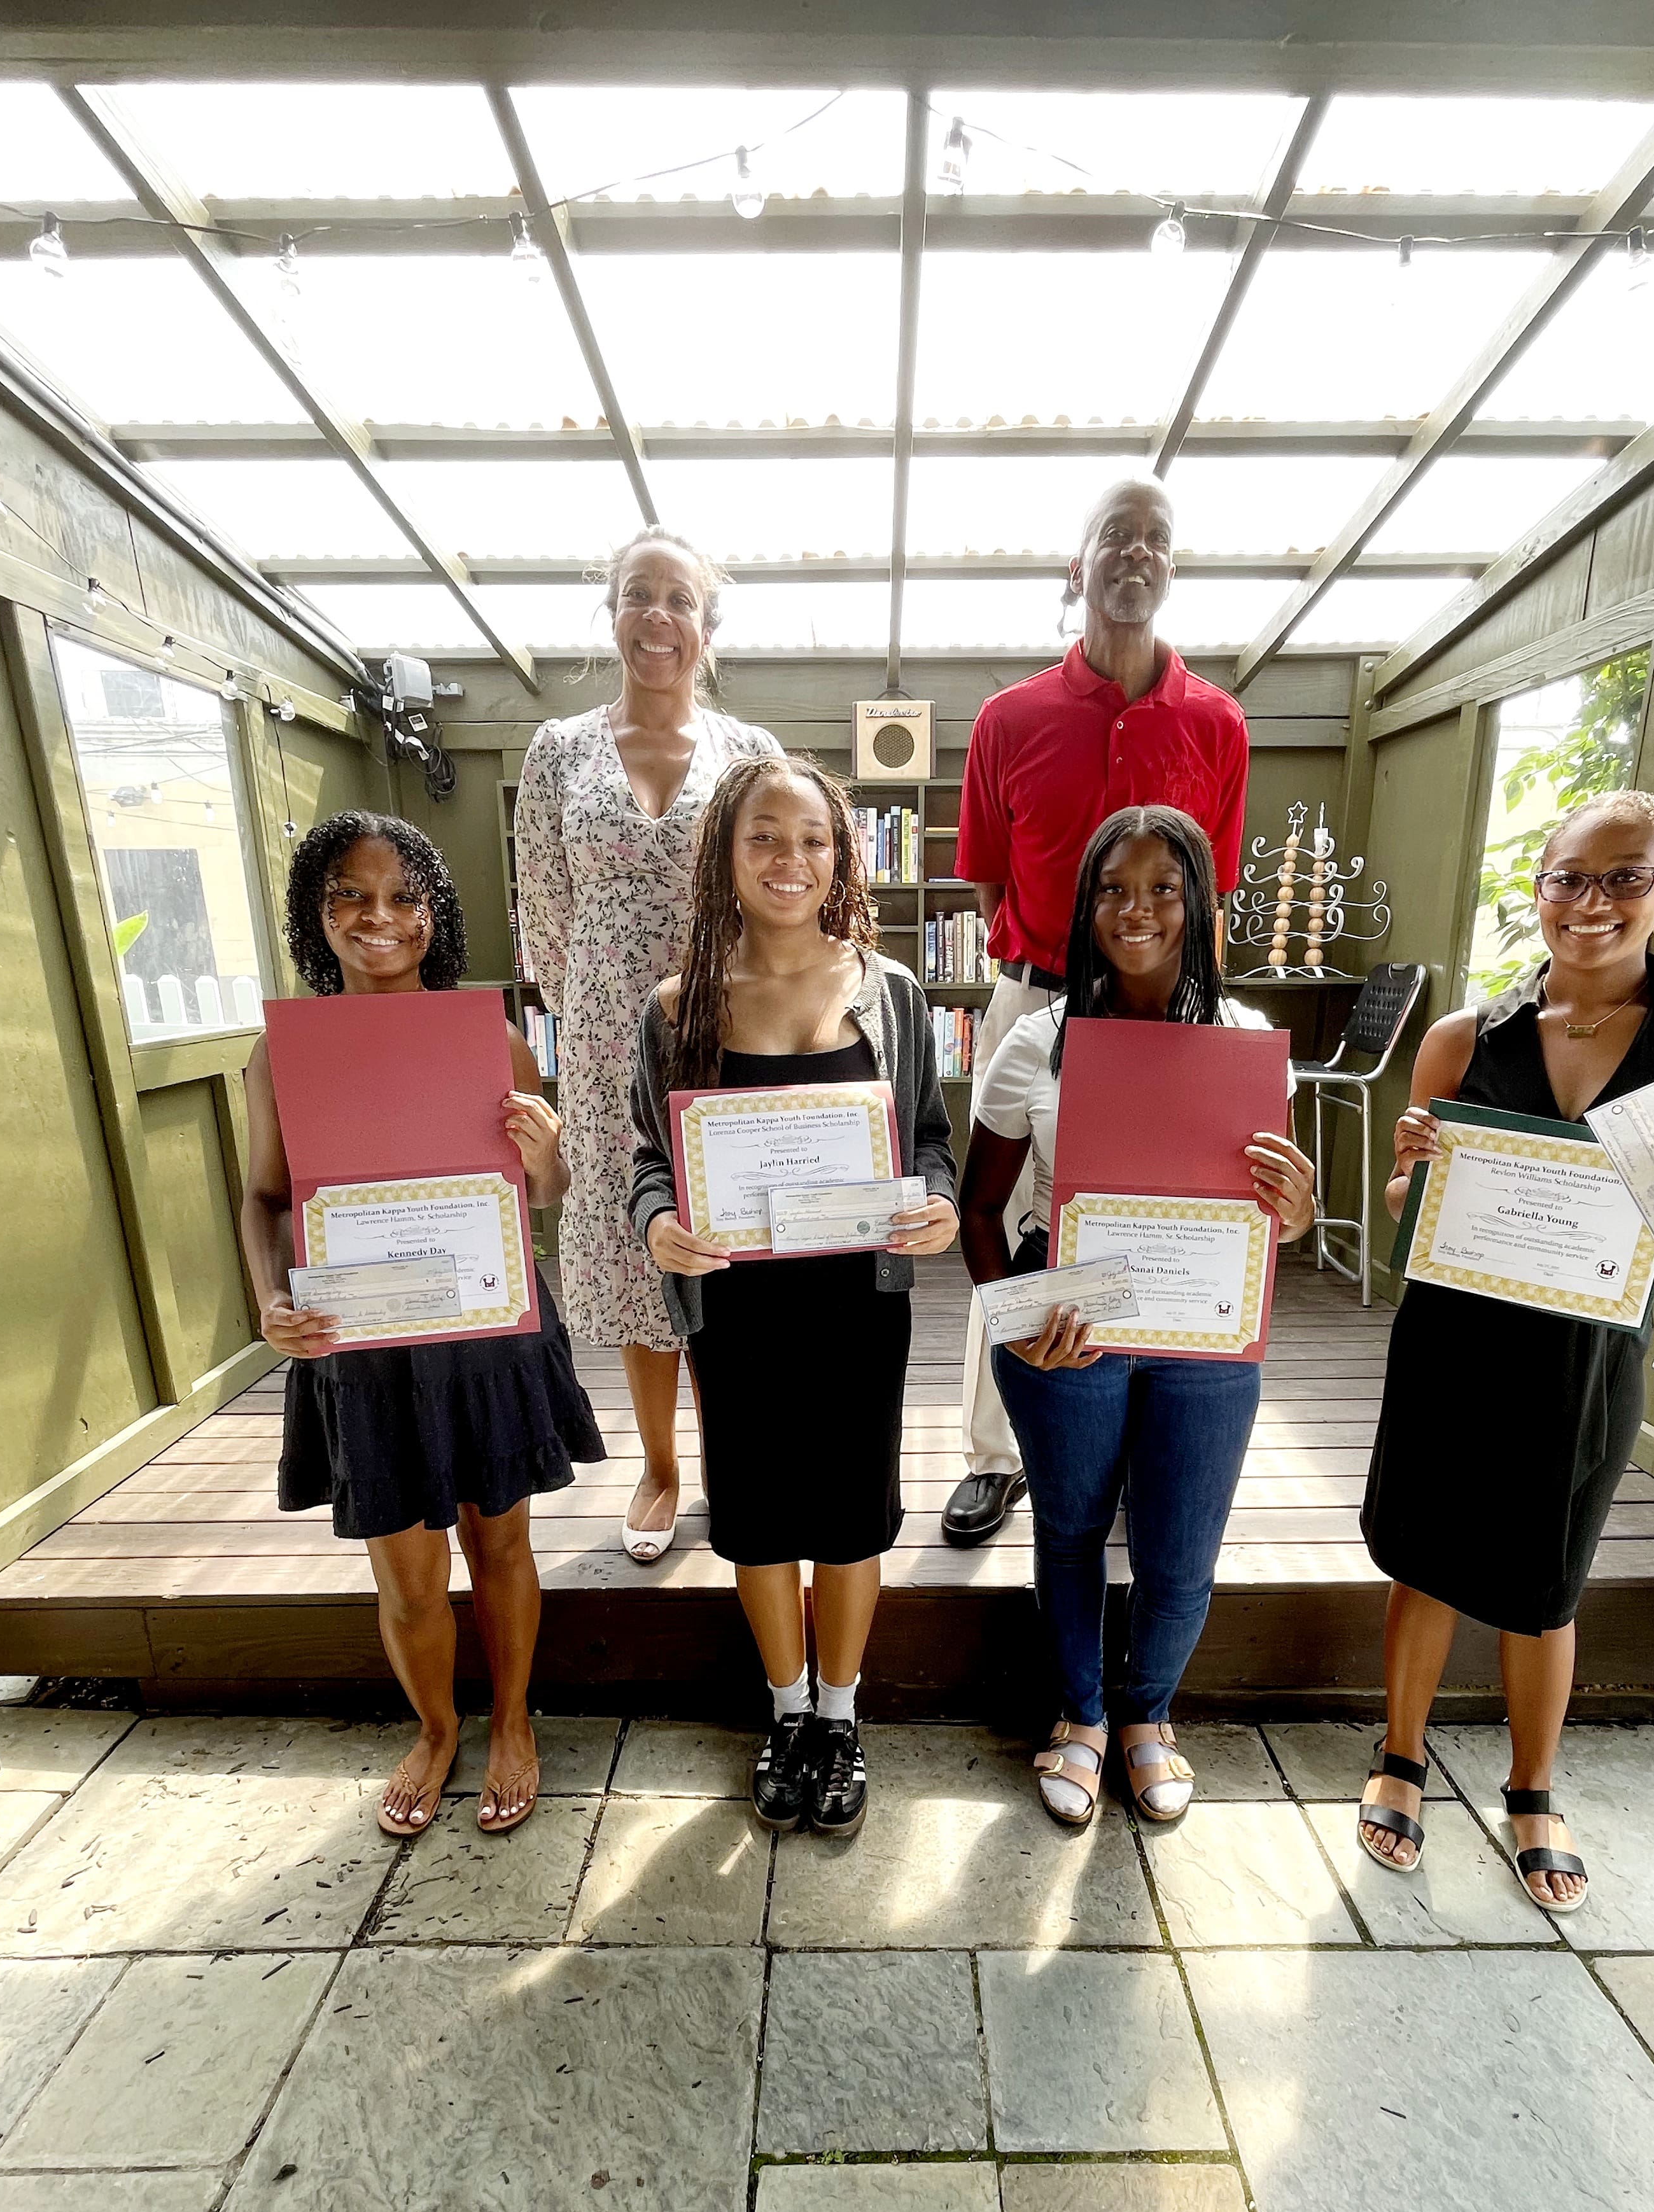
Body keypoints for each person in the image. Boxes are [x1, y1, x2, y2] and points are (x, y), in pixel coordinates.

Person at [1359, 791, 1654, 1909]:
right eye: (1567, 878)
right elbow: (1412, 1220)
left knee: (1550, 1584)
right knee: (1427, 1560)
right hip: (1456, 1342)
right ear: (1538, 888)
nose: (1591, 904)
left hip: (1587, 1360)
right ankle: (1400, 1757)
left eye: (1625, 878)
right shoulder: (1465, 1039)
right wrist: (1412, 1173)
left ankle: (1534, 1787)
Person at [241, 812, 604, 1840]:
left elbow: (545, 1192)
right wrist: (270, 1300)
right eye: (350, 896)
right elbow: (265, 1198)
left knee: (503, 1540)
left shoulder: (488, 1039)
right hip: (357, 1342)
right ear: (318, 916)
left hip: (485, 1330)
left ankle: (516, 1722)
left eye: (403, 896)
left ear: (434, 914)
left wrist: (545, 1153)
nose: (379, 917)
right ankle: (438, 1729)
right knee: (404, 1569)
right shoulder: (287, 1054)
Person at [960, 805, 1314, 1827]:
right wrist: (1015, 1319)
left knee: (1181, 1549)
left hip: (1205, 1335)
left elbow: (1273, 1215)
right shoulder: (1039, 1040)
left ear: (1200, 904)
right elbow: (983, 1209)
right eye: (1114, 889)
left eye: (1164, 888)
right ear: (1084, 907)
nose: (1137, 909)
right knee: (1069, 1532)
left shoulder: (1248, 1042)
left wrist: (1297, 1212)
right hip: (1068, 1327)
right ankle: (1079, 1715)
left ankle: (1148, 1716)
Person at [629, 753, 959, 1837]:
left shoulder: (892, 993)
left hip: (860, 1303)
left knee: (853, 1517)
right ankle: (786, 1714)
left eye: (813, 838)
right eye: (764, 835)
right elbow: (647, 1155)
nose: (791, 859)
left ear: (841, 854)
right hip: (738, 1311)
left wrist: (941, 1207)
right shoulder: (676, 1005)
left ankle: (843, 1715)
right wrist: (658, 1226)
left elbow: (928, 1143)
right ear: (725, 852)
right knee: (762, 1519)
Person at [944, 474, 1251, 1545]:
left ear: (1172, 567)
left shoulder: (1217, 722)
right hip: (1038, 997)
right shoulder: (1007, 717)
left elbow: (1205, 891)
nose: (1136, 552)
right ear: (1078, 568)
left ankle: (1126, 1446)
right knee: (1013, 1220)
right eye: (1115, 535)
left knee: (1153, 1213)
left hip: (1168, 1023)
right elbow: (989, 880)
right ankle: (994, 1455)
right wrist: (1056, 981)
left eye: (1156, 538)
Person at [515, 528, 781, 1564]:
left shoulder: (749, 753)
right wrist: (596, 1005)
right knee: (635, 1247)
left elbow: (775, 889)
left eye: (678, 600)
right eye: (638, 597)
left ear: (707, 628)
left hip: (722, 1029)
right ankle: (662, 1466)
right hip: (597, 1035)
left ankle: (730, 1457)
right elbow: (543, 912)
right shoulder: (558, 752)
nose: (657, 617)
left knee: (722, 1234)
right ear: (613, 614)